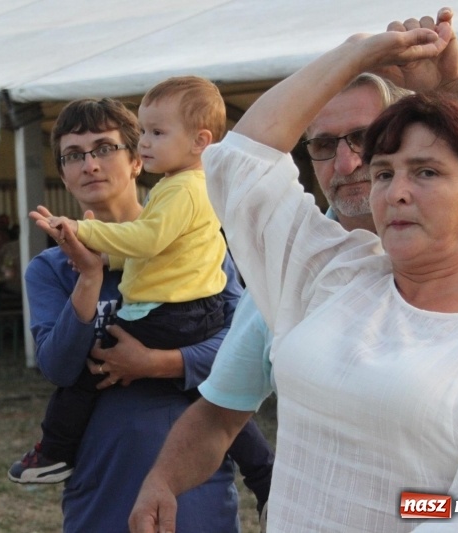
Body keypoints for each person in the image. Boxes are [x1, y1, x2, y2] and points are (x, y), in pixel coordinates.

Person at [130, 10, 458, 533]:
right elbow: (239, 162)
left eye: (426, 172)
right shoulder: (333, 274)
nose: (394, 190)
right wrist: (355, 53)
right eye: (385, 172)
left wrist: (401, 508)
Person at [20, 77, 273, 512]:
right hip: (102, 489)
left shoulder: (194, 244)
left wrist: (157, 364)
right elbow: (59, 368)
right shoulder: (49, 269)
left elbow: (244, 349)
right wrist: (88, 277)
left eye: (104, 148)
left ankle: (265, 473)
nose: (90, 164)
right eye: (73, 155)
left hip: (195, 491)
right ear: (61, 172)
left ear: (138, 160)